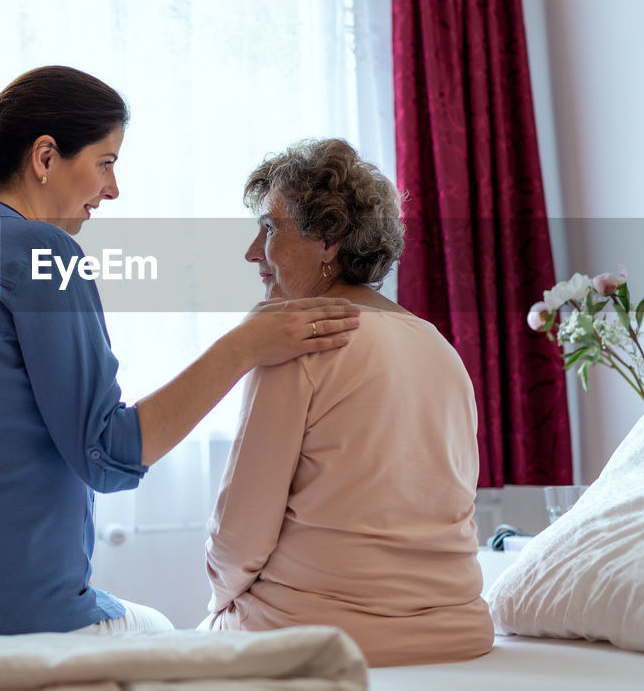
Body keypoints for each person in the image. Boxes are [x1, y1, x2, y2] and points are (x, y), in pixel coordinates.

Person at [0, 66, 360, 645]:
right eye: (105, 162)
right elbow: (108, 454)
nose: (112, 190)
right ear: (45, 157)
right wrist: (246, 345)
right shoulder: (39, 249)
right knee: (168, 634)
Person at [203, 138, 493, 667]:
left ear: (328, 241)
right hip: (456, 631)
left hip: (320, 634)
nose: (252, 252)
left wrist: (218, 603)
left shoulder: (294, 339)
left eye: (269, 229)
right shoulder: (441, 348)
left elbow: (239, 539)